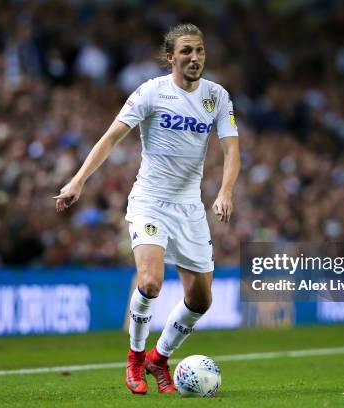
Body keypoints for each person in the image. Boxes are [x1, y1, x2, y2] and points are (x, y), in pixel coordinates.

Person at [54, 23, 240, 395]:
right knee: (151, 282)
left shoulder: (217, 96)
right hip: (150, 202)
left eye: (199, 50)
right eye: (186, 51)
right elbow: (110, 138)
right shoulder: (150, 93)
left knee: (201, 300)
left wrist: (225, 192)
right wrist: (78, 180)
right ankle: (136, 359)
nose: (194, 58)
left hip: (190, 208)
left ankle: (159, 356)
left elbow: (232, 149)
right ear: (170, 56)